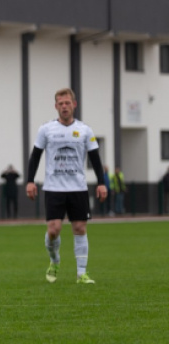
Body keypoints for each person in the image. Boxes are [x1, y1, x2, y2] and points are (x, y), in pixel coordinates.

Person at [26, 88, 107, 285]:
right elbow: (35, 156)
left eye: (67, 103)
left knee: (79, 228)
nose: (64, 106)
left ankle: (82, 274)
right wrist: (30, 181)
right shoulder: (46, 129)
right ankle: (54, 261)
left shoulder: (85, 130)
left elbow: (95, 158)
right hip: (53, 187)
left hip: (78, 188)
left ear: (74, 105)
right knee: (54, 230)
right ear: (56, 106)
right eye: (61, 103)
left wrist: (101, 183)